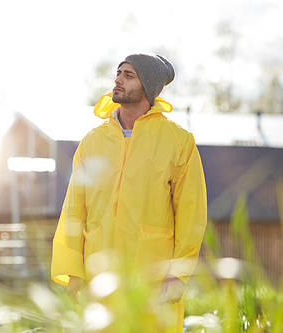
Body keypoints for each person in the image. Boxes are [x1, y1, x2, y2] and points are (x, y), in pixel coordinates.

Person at [51, 53, 207, 332]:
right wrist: (73, 270)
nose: (118, 79)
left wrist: (178, 274)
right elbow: (74, 209)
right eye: (119, 72)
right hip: (98, 275)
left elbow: (191, 212)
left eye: (128, 75)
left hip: (152, 278)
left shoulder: (178, 141)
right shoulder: (92, 141)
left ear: (147, 87)